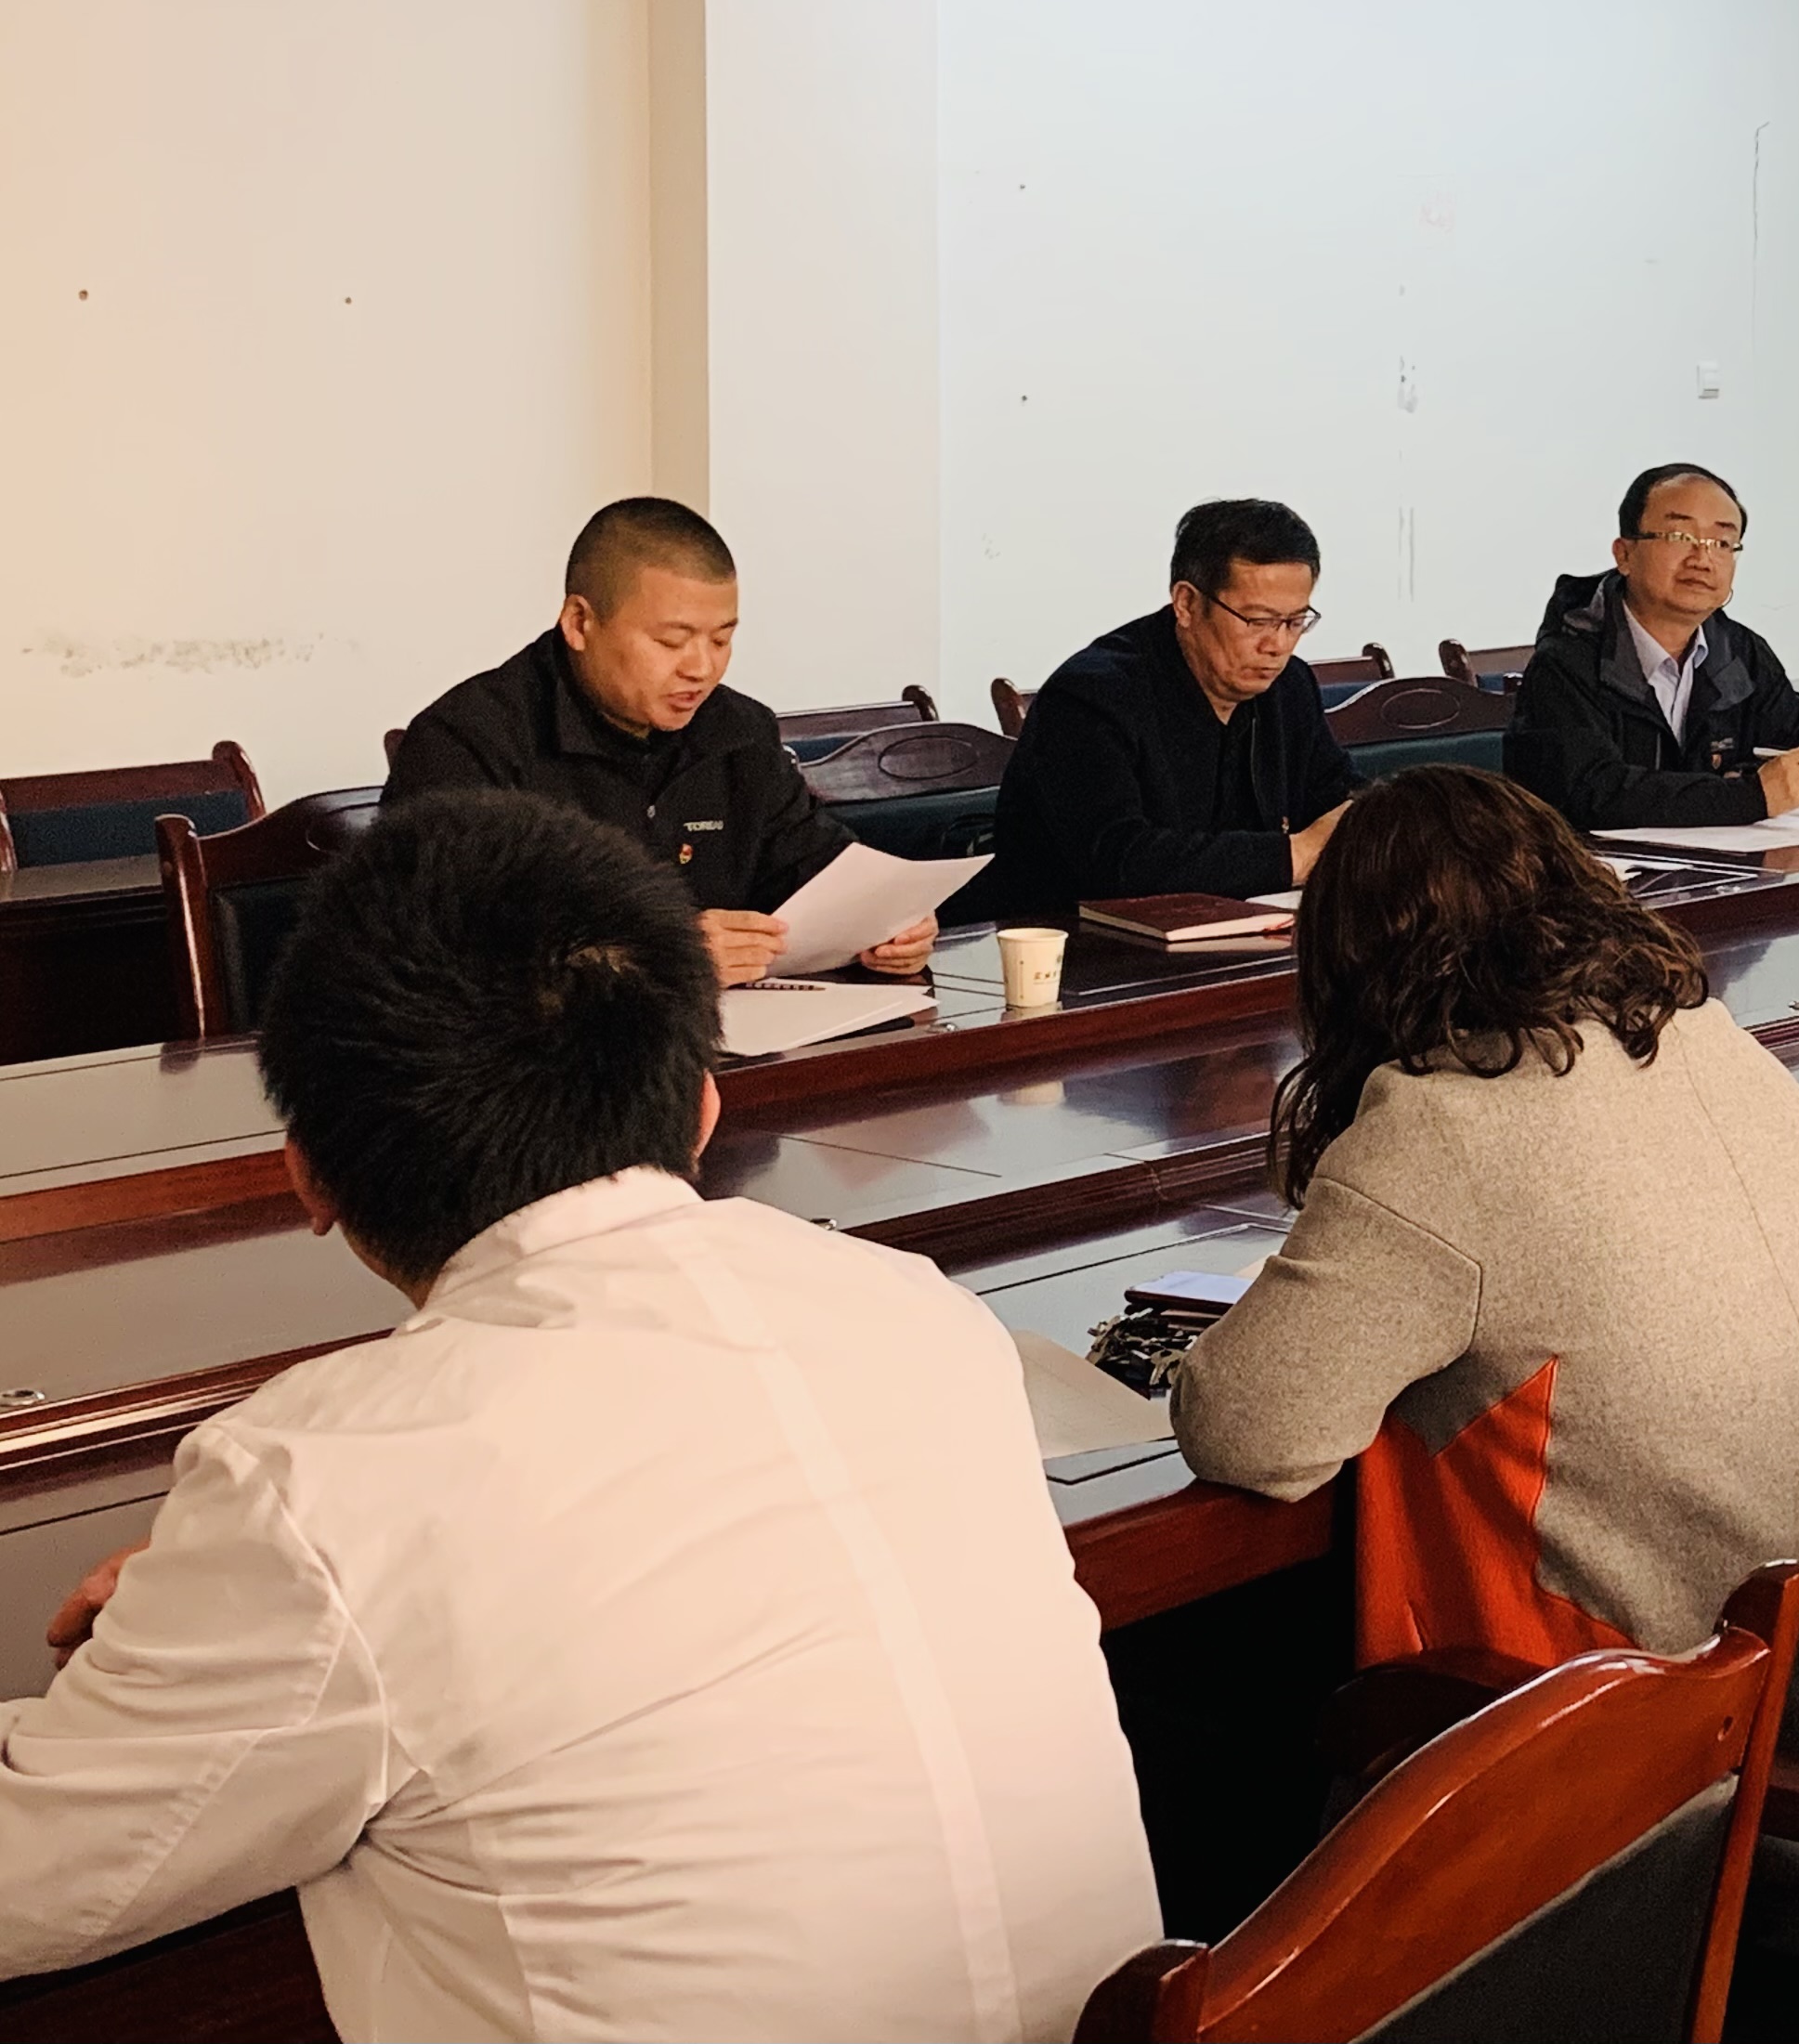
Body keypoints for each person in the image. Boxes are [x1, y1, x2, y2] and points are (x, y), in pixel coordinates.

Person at [0, 792, 1157, 2042]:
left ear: (309, 1175)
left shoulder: (327, 1482)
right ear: (704, 1106)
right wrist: (238, 1602)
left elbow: (34, 1878)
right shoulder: (917, 1312)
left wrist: (243, 1605)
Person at [1169, 766, 1799, 1962]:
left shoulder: (1447, 1124)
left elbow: (1251, 1432)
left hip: (1749, 1836)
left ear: (1349, 965)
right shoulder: (1712, 1045)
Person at [386, 497, 935, 986]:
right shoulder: (470, 742)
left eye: (722, 639)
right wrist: (655, 957)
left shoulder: (740, 732)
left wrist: (887, 921)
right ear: (579, 622)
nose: (701, 668)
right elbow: (427, 951)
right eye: (672, 641)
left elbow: (815, 871)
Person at [984, 499, 1358, 915]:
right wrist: (1294, 856)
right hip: (1074, 941)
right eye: (1257, 621)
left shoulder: (1289, 686)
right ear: (1187, 604)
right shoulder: (1091, 697)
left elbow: (1338, 798)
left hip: (1238, 931)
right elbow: (1117, 861)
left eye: (1295, 622)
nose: (1278, 645)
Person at [1503, 462, 1799, 830]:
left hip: (1728, 862)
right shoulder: (1567, 660)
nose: (1702, 559)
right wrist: (1746, 796)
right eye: (1679, 536)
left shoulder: (1741, 652)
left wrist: (1749, 784)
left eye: (1722, 543)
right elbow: (1589, 793)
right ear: (1624, 555)